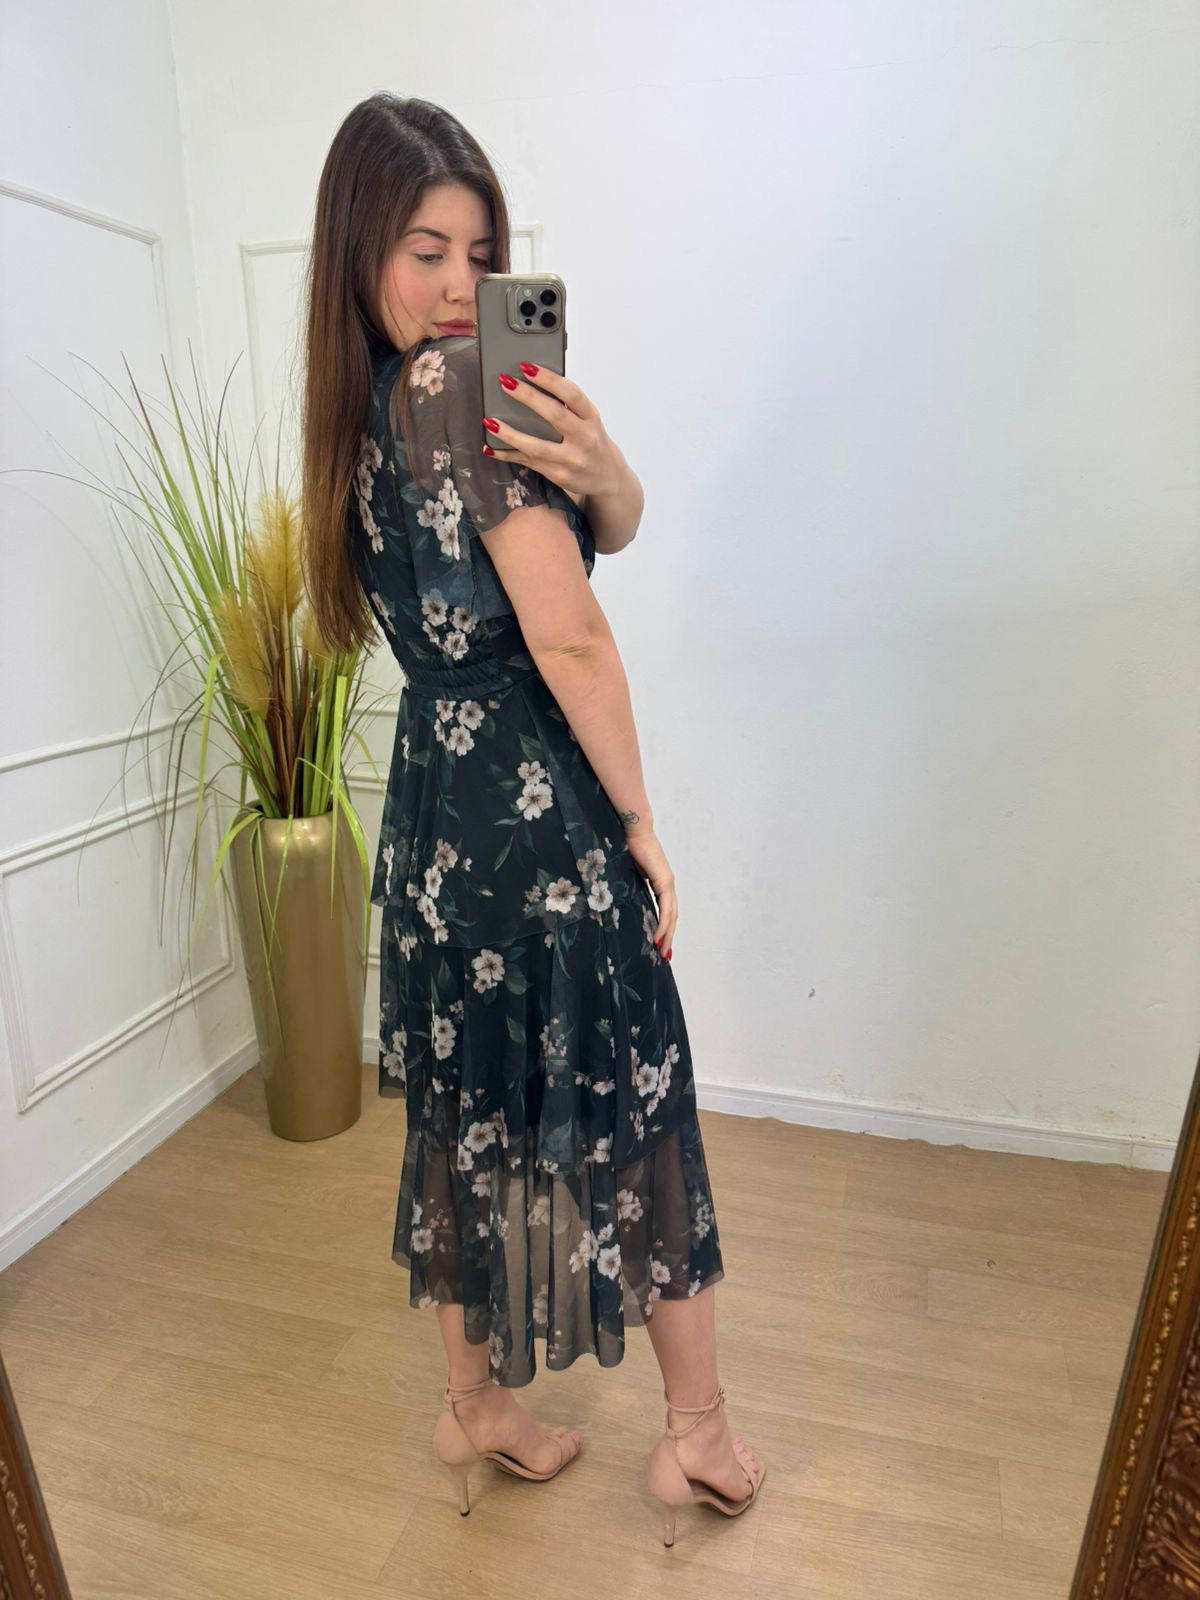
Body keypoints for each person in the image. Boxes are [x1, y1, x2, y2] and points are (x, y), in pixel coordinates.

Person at [300, 91, 765, 1547]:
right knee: (634, 1097)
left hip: (436, 823)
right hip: (540, 819)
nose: (458, 286)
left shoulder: (363, 410)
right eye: (424, 250)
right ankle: (697, 1438)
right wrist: (643, 818)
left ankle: (475, 1403)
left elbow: (592, 532)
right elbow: (569, 636)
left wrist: (607, 476)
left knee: (466, 1111)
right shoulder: (458, 390)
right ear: (361, 252)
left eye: (481, 255)